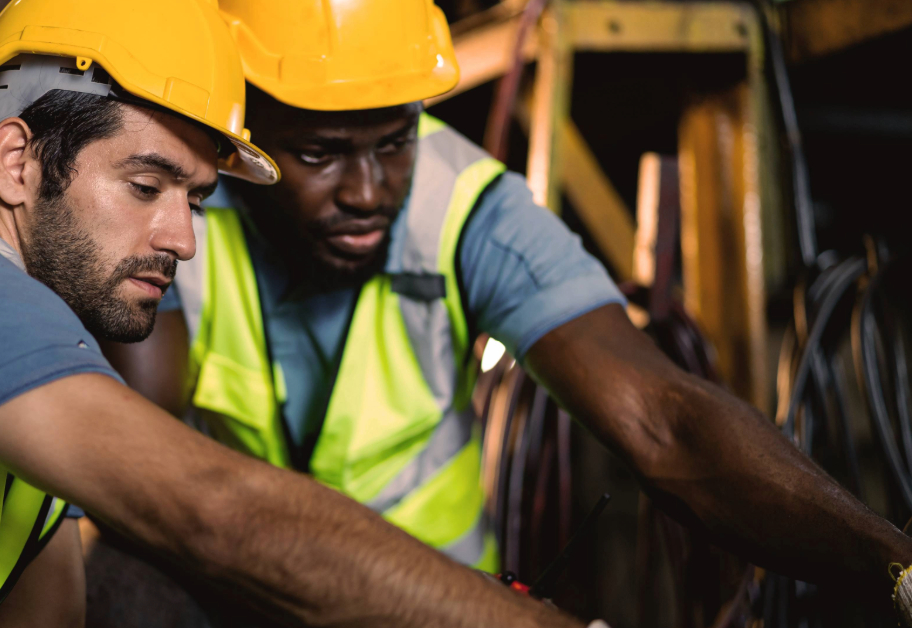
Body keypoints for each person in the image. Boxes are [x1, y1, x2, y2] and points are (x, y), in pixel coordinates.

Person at [0, 1, 595, 627]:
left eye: (198, 201)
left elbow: (50, 611)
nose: (182, 238)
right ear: (17, 161)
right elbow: (214, 510)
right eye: (145, 186)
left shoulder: (27, 404)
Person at [100, 0, 912, 614]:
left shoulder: (467, 204)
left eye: (394, 141)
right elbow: (151, 474)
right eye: (320, 154)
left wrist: (896, 565)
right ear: (239, 132)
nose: (369, 191)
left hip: (435, 606)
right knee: (120, 584)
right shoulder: (184, 212)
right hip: (240, 595)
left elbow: (664, 420)